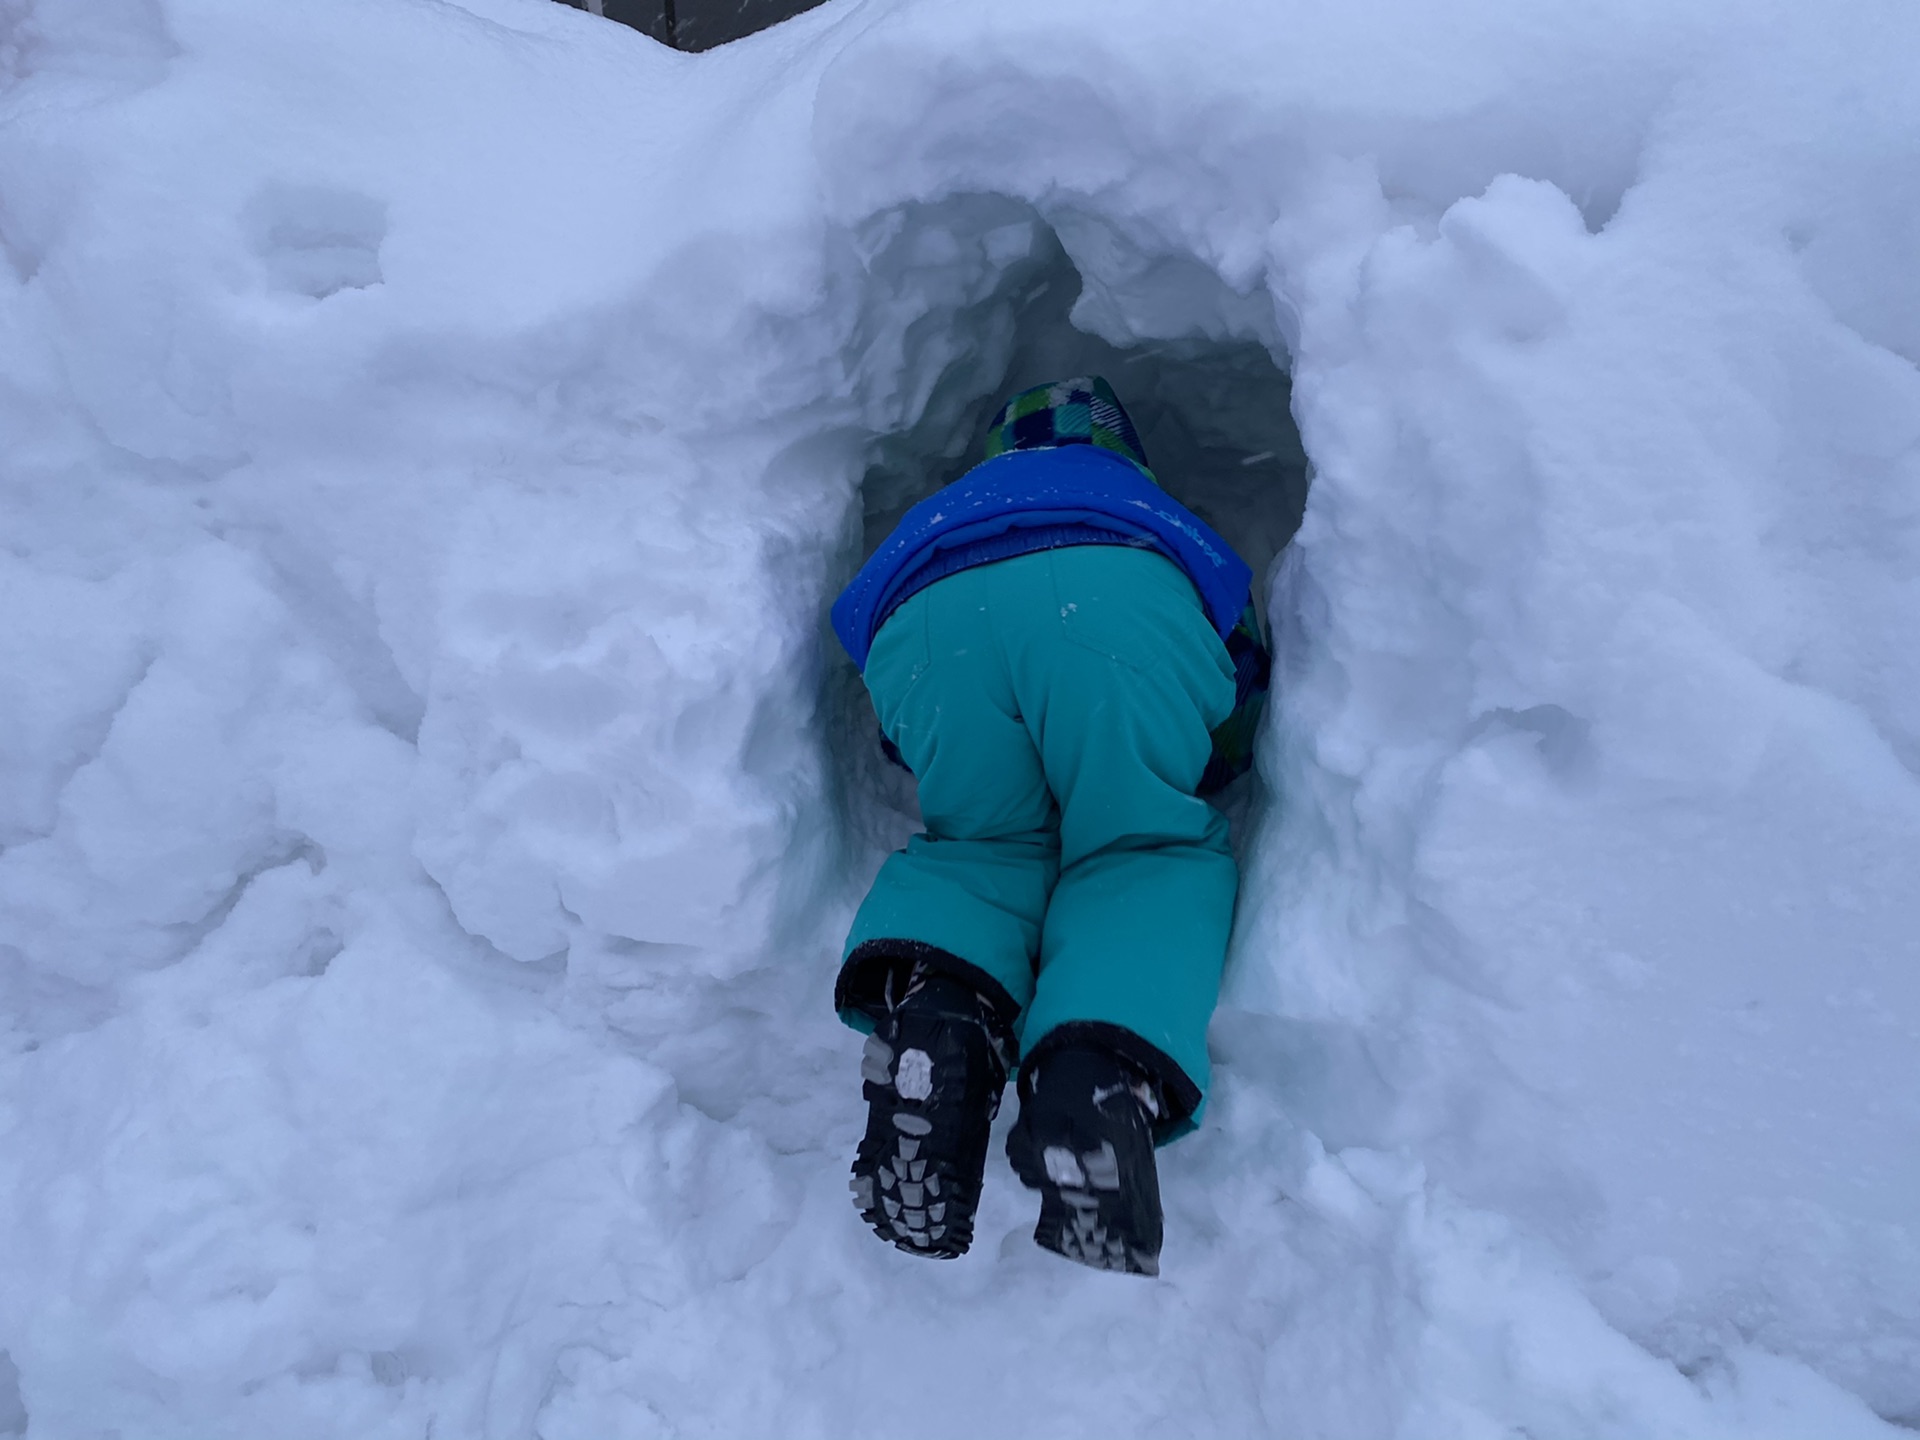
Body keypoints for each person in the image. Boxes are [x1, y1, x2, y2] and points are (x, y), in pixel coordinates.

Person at [830, 377, 1269, 1275]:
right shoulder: (1140, 502)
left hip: (923, 624)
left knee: (982, 845)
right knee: (1141, 846)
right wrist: (1208, 758)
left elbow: (897, 730)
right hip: (1116, 603)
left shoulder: (954, 505)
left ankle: (943, 1008)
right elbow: (1236, 666)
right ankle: (1096, 1067)